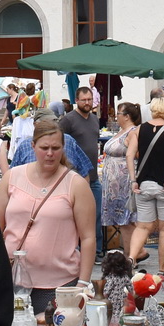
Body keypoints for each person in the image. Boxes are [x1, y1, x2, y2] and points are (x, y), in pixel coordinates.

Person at [0, 118, 97, 326]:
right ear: (33, 146)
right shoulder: (12, 178)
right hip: (12, 283)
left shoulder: (75, 184)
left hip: (59, 284)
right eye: (44, 148)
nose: (50, 153)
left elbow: (88, 238)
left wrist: (83, 284)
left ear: (63, 148)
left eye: (55, 148)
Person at [126, 99, 164, 271]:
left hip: (144, 184)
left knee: (142, 226)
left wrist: (133, 180)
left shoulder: (139, 130)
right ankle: (162, 270)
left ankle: (130, 259)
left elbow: (129, 155)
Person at [61, 87, 103, 231]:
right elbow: (59, 145)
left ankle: (96, 252)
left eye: (89, 100)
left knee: (96, 216)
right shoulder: (68, 120)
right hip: (75, 179)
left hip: (94, 178)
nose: (87, 103)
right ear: (76, 100)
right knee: (75, 218)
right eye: (83, 100)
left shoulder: (95, 119)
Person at [101, 103, 141, 253]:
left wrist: (133, 179)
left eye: (118, 113)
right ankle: (131, 252)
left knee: (126, 219)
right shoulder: (122, 131)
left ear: (126, 116)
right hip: (114, 181)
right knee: (122, 221)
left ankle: (132, 253)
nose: (116, 116)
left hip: (123, 181)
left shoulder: (132, 132)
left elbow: (136, 155)